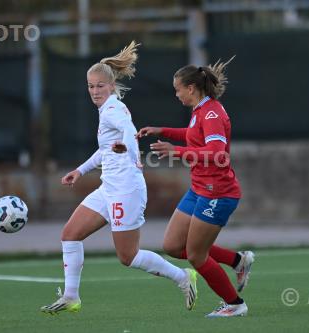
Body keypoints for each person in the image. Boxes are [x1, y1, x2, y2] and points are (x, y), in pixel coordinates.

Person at [40, 41, 197, 315]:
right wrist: (80, 170)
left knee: (129, 256)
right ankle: (70, 297)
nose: (95, 91)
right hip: (108, 188)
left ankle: (183, 277)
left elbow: (128, 131)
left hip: (126, 189)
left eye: (100, 85)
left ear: (111, 86)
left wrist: (132, 153)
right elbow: (104, 150)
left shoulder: (113, 109)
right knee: (70, 235)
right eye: (90, 86)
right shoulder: (106, 111)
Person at [136, 58, 254, 318]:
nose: (176, 94)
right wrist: (162, 131)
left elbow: (216, 152)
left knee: (196, 256)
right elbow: (193, 136)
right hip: (199, 188)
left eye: (178, 89)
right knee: (172, 245)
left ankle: (235, 304)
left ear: (191, 88)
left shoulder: (211, 113)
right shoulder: (200, 111)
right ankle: (238, 261)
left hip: (217, 193)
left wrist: (175, 152)